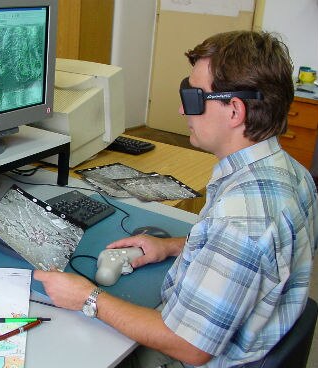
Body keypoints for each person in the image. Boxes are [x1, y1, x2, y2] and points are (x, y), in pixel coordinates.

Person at [34, 30, 318, 367]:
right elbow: (253, 251)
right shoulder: (289, 172)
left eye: (194, 97)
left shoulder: (243, 216)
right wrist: (171, 246)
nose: (183, 109)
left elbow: (189, 347)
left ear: (235, 111)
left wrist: (87, 297)